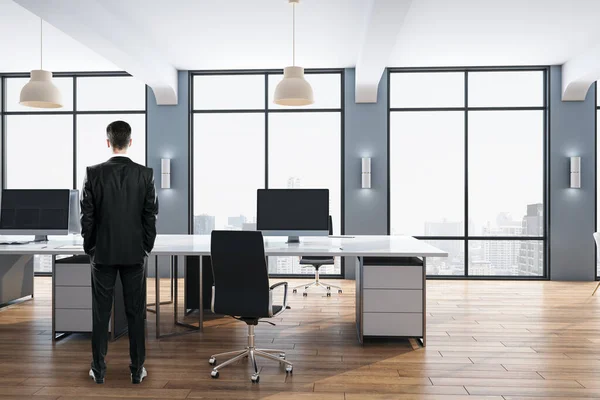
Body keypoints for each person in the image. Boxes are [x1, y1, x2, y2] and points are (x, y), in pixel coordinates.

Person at [80, 120, 159, 384]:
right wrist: (145, 246)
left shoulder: (92, 173)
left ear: (108, 142)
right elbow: (150, 216)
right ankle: (137, 370)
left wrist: (90, 247)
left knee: (101, 313)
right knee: (136, 312)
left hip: (102, 253)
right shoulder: (145, 174)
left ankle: (98, 370)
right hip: (134, 253)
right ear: (130, 142)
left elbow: (87, 218)